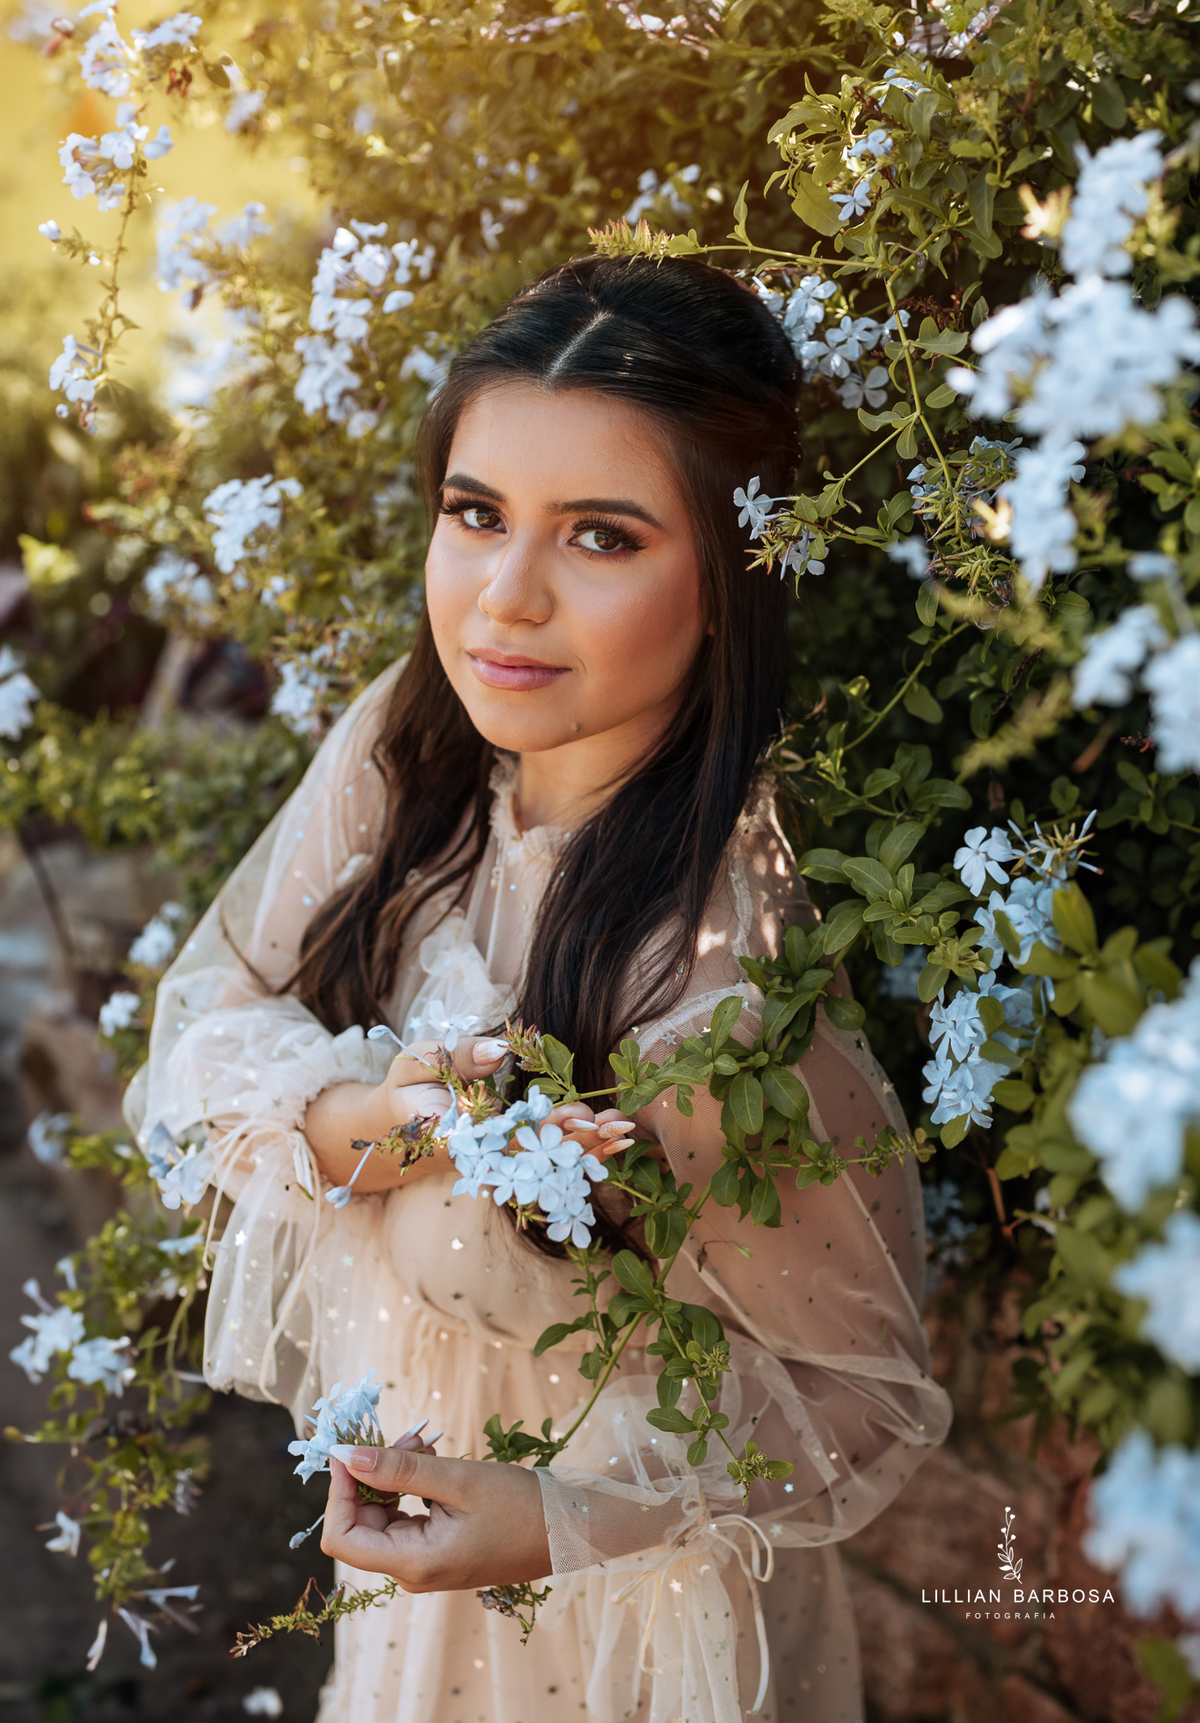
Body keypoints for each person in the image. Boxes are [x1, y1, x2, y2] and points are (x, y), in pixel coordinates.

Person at [126, 255, 951, 1723]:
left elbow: (865, 1396)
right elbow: (205, 1020)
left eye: (601, 537)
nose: (505, 598)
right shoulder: (417, 750)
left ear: (731, 577)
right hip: (413, 1604)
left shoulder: (711, 982)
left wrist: (562, 1518)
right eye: (476, 514)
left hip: (629, 1633)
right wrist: (374, 1120)